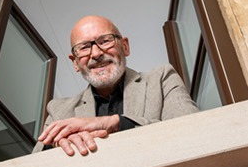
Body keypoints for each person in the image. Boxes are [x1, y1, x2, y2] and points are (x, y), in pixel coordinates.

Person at [38, 15, 199, 156]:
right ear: (75, 62)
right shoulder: (58, 110)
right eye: (85, 47)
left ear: (125, 46)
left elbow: (192, 130)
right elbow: (33, 164)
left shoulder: (162, 79)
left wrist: (116, 123)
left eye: (105, 41)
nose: (96, 54)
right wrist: (57, 146)